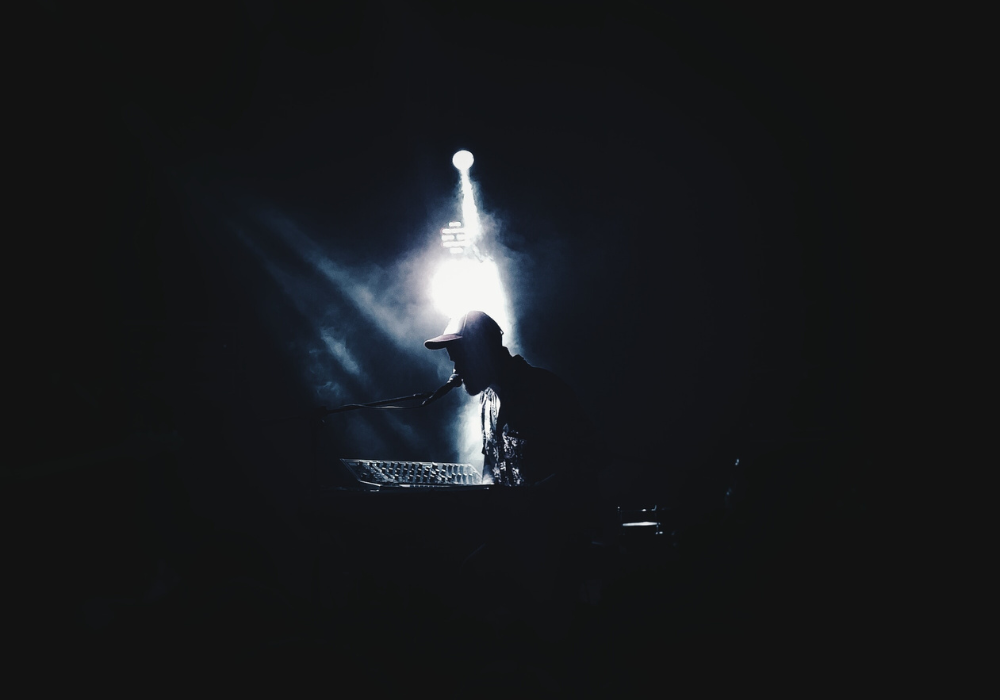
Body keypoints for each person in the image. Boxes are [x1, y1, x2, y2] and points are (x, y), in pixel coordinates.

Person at [424, 309, 603, 489]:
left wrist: (530, 496)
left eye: (461, 359)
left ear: (483, 351)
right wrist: (488, 484)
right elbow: (491, 459)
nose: (456, 370)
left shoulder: (545, 389)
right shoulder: (486, 399)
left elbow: (590, 457)